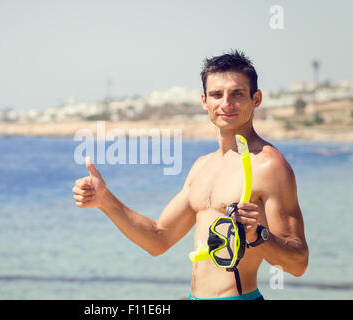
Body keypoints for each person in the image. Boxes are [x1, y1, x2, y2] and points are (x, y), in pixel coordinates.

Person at [72, 50, 309, 300]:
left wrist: (258, 236)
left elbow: (298, 263)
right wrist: (104, 199)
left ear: (256, 98)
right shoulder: (202, 167)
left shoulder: (268, 165)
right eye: (217, 95)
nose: (226, 104)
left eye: (237, 94)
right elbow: (158, 238)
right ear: (204, 101)